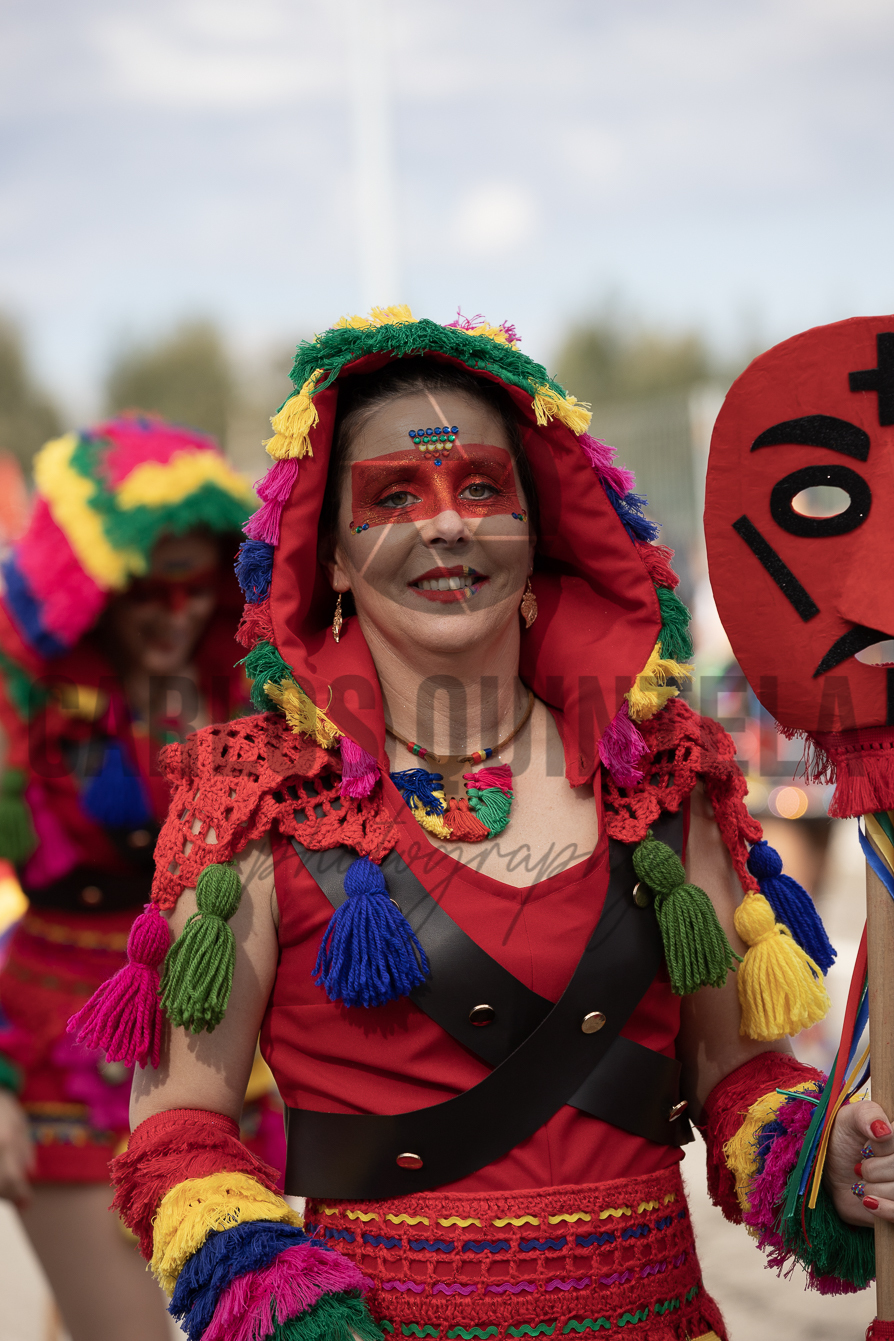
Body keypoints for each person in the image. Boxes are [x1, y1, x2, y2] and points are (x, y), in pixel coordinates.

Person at [93, 311, 889, 1341]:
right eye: (393, 496)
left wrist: (823, 1155)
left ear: (535, 527)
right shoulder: (256, 797)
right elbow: (177, 1132)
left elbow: (735, 1074)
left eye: (481, 488)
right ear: (331, 559)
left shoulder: (662, 772)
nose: (446, 525)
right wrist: (288, 1311)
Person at [0, 414, 282, 1341]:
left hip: (221, 1045)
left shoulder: (243, 683)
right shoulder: (17, 691)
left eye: (197, 587)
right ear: (91, 589)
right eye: (149, 591)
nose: (177, 612)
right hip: (60, 1047)